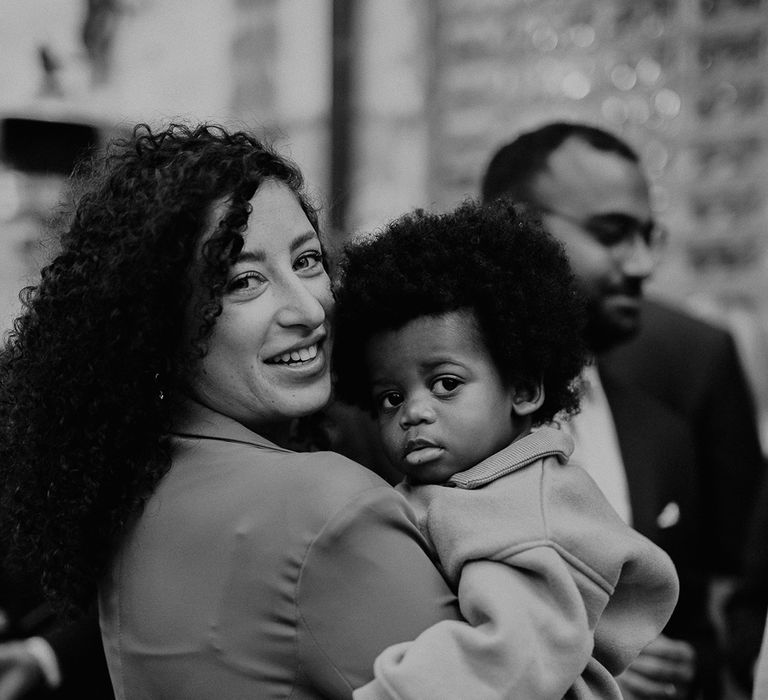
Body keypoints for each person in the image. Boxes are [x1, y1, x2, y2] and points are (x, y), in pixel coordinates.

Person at [0, 123, 466, 699]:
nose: (307, 309)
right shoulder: (327, 509)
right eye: (244, 280)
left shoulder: (134, 486)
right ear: (161, 321)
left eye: (308, 260)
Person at [332, 200, 679, 698]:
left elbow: (514, 658)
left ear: (523, 390)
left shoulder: (522, 510)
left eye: (445, 383)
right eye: (390, 397)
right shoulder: (470, 486)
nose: (414, 411)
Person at [480, 121, 766, 699]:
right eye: (613, 234)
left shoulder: (662, 428)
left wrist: (688, 668)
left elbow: (706, 615)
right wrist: (582, 669)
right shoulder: (421, 418)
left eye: (648, 236)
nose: (641, 265)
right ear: (518, 228)